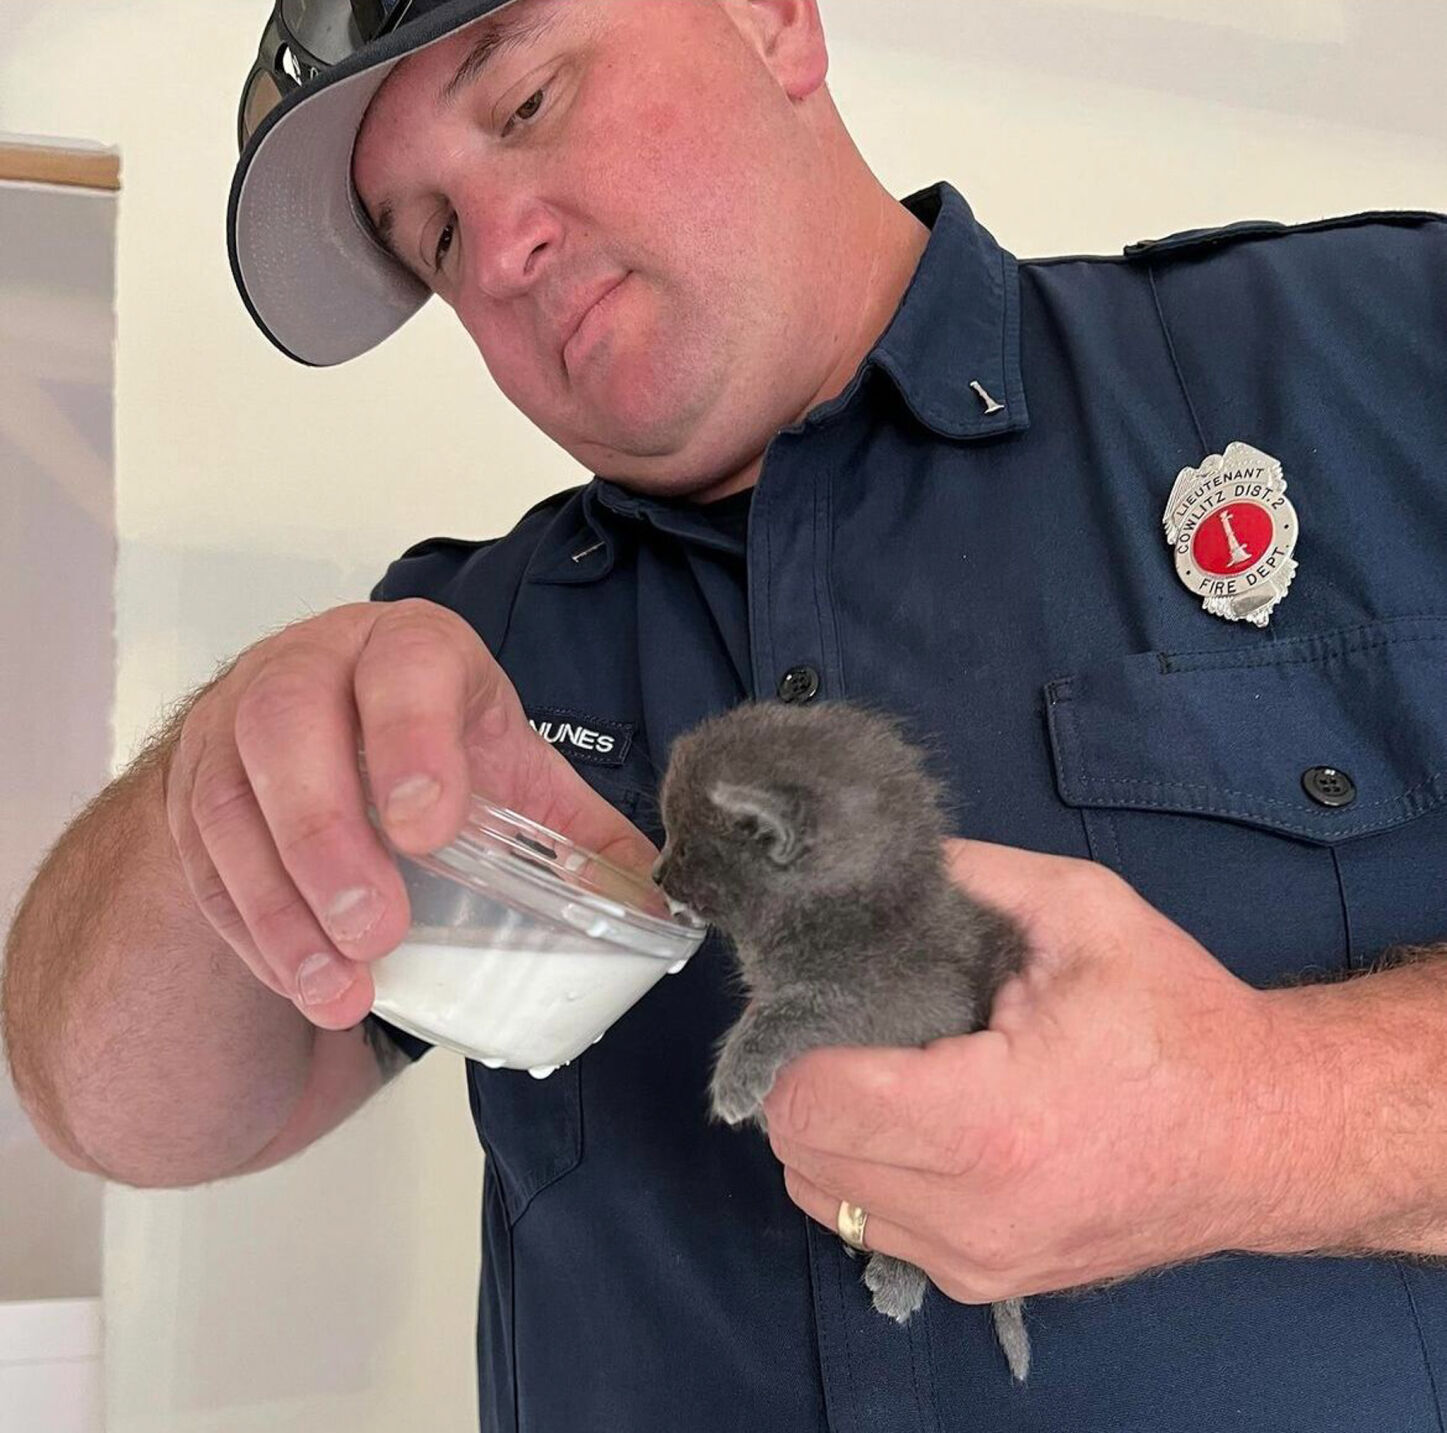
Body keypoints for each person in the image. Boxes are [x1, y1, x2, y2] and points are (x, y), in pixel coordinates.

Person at [5, 0, 1447, 1427]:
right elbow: (114, 1106)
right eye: (433, 235)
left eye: (525, 105)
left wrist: (1260, 1112)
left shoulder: (1377, 354)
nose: (500, 251)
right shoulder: (458, 662)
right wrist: (221, 762)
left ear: (773, 20)